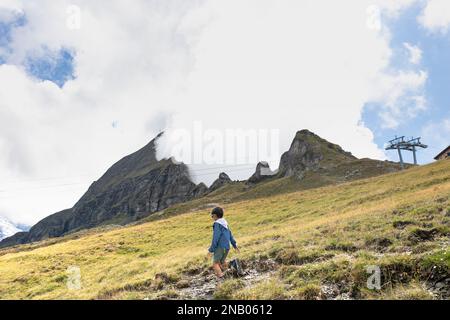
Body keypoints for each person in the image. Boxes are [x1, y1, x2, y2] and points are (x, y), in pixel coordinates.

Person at [207, 207, 239, 278]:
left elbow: (215, 238)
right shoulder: (225, 223)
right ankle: (230, 272)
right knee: (222, 261)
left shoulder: (217, 224)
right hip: (227, 247)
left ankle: (221, 277)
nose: (212, 217)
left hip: (220, 247)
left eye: (212, 216)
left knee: (215, 263)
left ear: (215, 215)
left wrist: (211, 250)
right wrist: (234, 245)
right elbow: (230, 235)